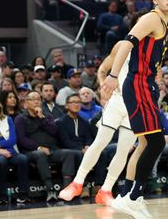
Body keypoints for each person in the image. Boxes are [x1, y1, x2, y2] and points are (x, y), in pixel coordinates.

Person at [100, 0, 168, 219]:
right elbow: (126, 43)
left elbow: (149, 54)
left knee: (146, 143)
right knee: (156, 142)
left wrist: (156, 74)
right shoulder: (152, 18)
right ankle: (134, 196)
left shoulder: (165, 23)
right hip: (137, 84)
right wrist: (113, 75)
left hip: (147, 84)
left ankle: (128, 194)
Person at [59, 35, 142, 206]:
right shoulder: (123, 44)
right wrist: (104, 87)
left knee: (124, 150)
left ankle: (105, 190)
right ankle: (77, 182)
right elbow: (103, 69)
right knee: (100, 142)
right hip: (118, 101)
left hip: (136, 105)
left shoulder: (154, 51)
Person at [0, 97, 31, 205]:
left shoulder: (7, 120)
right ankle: (2, 196)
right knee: (0, 162)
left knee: (23, 159)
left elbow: (13, 139)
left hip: (10, 151)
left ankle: (23, 194)